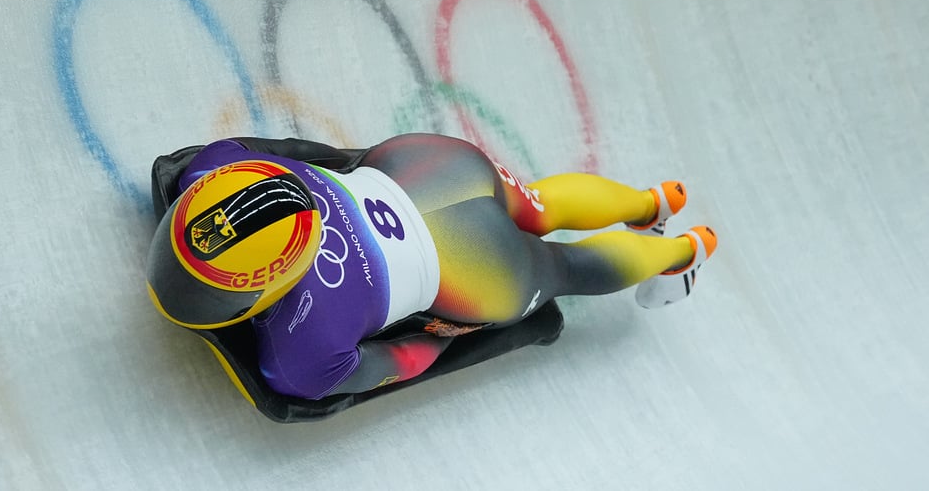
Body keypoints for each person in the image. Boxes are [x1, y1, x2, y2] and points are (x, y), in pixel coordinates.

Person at [146, 133, 717, 401]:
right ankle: (652, 201)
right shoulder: (220, 167)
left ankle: (681, 253)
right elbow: (300, 152)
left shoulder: (301, 357)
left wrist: (450, 336)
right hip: (429, 163)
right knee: (539, 205)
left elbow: (407, 359)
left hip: (475, 272)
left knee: (564, 268)